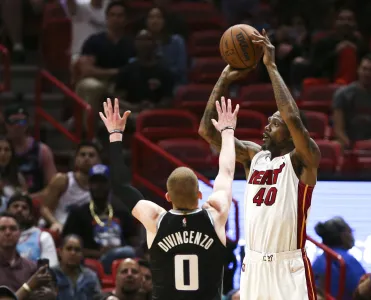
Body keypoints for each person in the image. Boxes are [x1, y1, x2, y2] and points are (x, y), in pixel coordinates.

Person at [199, 29, 320, 299]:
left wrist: (271, 66)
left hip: (288, 266)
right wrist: (223, 79)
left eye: (275, 124)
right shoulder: (255, 157)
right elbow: (207, 131)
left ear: (291, 132)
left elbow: (292, 116)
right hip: (252, 264)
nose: (267, 127)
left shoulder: (304, 159)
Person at [100, 97, 237, 300]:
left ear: (167, 196)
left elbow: (120, 186)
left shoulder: (155, 219)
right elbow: (226, 172)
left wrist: (115, 135)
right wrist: (227, 132)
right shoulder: (216, 214)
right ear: (200, 195)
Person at [41, 141, 101, 232]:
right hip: (59, 227)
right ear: (76, 159)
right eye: (82, 155)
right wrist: (54, 223)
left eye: (91, 155)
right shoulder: (62, 180)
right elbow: (44, 208)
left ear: (98, 161)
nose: (86, 158)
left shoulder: (101, 187)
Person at [312, 217, 365, 299]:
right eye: (350, 231)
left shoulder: (317, 262)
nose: (352, 235)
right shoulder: (346, 261)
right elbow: (364, 291)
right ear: (344, 235)